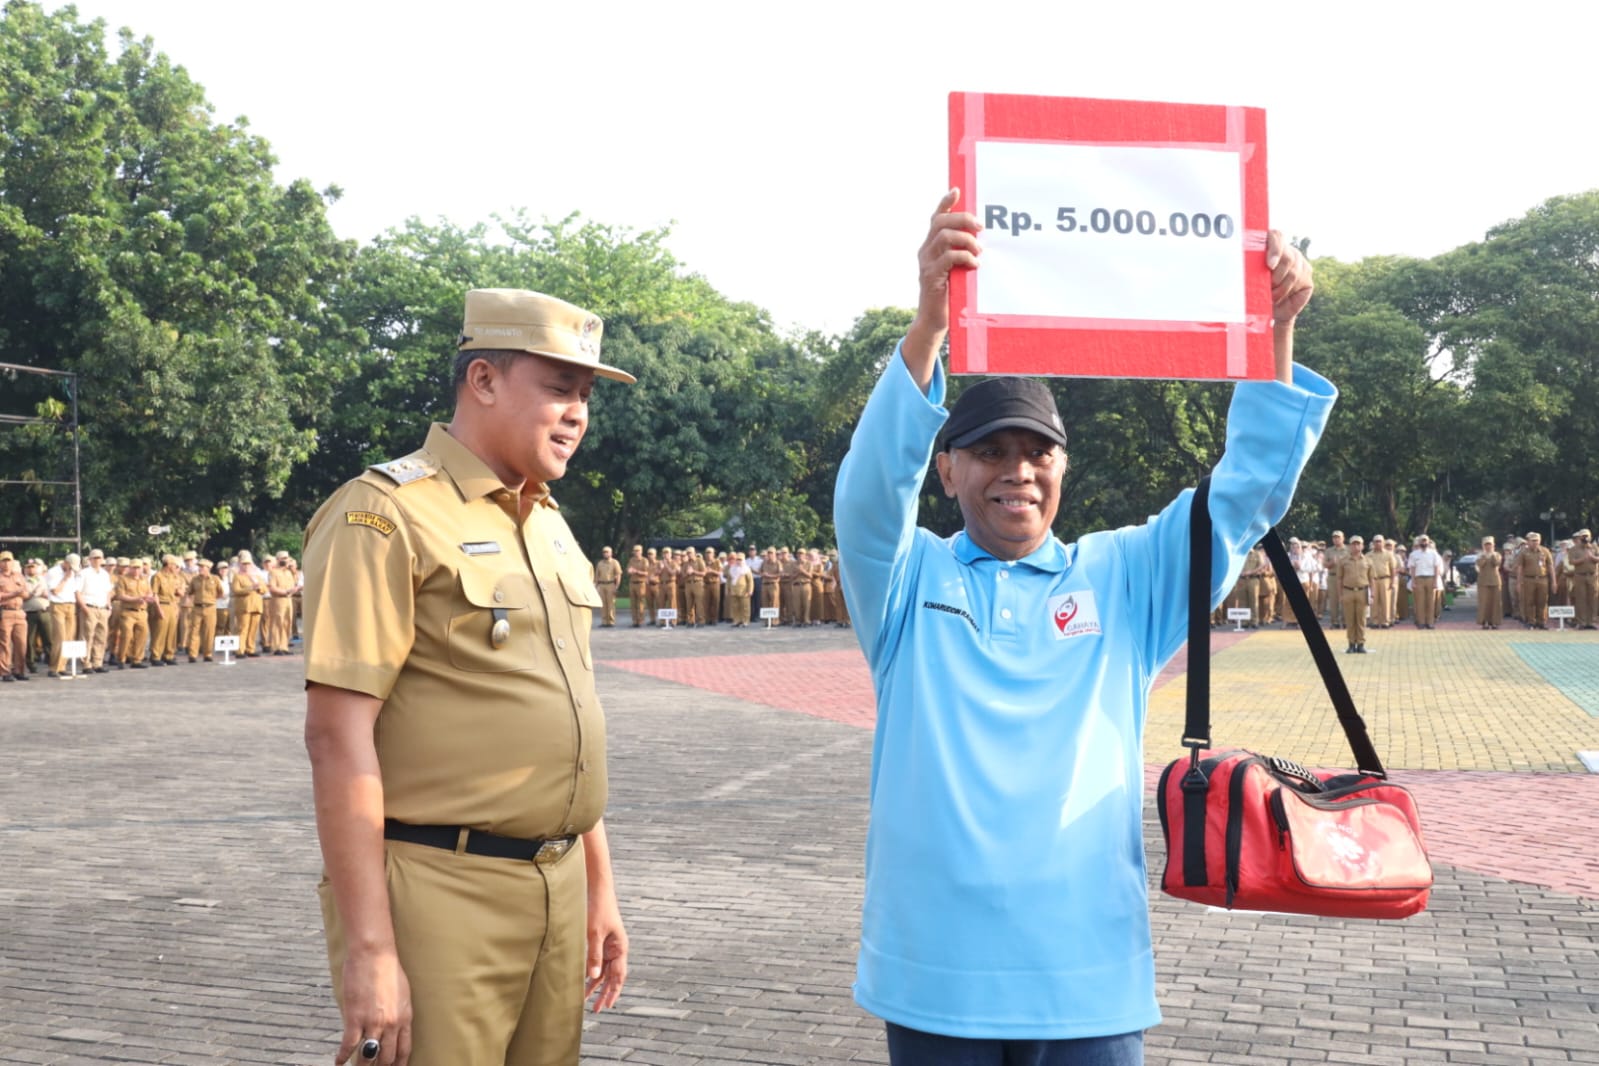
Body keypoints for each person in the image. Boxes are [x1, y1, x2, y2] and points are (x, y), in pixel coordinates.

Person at [833, 191, 1328, 1062]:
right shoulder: (907, 577)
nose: (1015, 471)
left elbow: (1246, 492)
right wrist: (929, 321)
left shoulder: (1124, 574)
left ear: (1063, 467)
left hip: (1084, 967)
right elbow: (869, 492)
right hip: (936, 967)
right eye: (988, 451)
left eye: (1036, 452)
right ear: (945, 468)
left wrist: (1273, 332)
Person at [301, 288, 629, 1066]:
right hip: (440, 889)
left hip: (554, 884)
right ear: (482, 380)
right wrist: (371, 951)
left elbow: (569, 724)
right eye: (557, 388)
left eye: (584, 395)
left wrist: (597, 884)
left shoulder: (546, 521)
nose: (577, 413)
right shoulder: (384, 514)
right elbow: (336, 738)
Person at [1340, 535, 1374, 653]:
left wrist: (1372, 594)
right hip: (1348, 591)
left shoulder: (1368, 561)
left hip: (1362, 591)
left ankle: (1360, 644)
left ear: (1362, 546)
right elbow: (1340, 578)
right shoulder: (1343, 561)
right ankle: (1351, 644)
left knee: (1361, 620)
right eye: (1353, 544)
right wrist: (1341, 594)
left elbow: (1371, 579)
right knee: (1350, 620)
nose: (1356, 546)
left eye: (1358, 544)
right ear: (1349, 546)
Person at [0, 551, 28, 682]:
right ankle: (5, 672)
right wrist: (15, 593)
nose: (6, 563)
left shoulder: (19, 576)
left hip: (20, 612)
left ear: (12, 562)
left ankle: (19, 670)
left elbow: (26, 593)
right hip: (5, 611)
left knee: (21, 643)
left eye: (9, 560)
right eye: (4, 561)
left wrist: (20, 593)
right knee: (5, 644)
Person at [1407, 535, 1444, 629]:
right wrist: (1413, 581)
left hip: (1431, 578)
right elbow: (1412, 568)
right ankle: (1421, 622)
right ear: (1419, 543)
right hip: (1419, 578)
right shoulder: (1414, 554)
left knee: (1431, 601)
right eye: (1422, 541)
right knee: (1420, 602)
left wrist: (1436, 581)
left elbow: (1436, 568)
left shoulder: (1434, 554)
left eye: (1425, 541)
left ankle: (1430, 622)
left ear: (1428, 542)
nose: (1424, 543)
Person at [1475, 537, 1503, 629]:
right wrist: (1484, 556)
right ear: (1483, 546)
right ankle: (1484, 622)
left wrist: (1492, 555)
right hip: (1483, 581)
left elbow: (1497, 563)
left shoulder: (1497, 554)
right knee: (1484, 602)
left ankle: (1494, 622)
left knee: (1495, 602)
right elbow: (1480, 565)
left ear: (1493, 545)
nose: (1488, 546)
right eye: (1486, 544)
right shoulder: (1480, 555)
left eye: (1490, 544)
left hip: (1495, 581)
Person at [593, 546, 622, 627]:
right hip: (602, 585)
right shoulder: (600, 563)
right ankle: (604, 621)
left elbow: (618, 575)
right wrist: (595, 585)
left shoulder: (614, 562)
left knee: (611, 604)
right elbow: (597, 575)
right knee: (603, 604)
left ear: (611, 553)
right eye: (604, 552)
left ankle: (611, 621)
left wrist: (617, 586)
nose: (605, 554)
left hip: (610, 584)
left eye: (607, 552)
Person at [626, 546, 650, 628]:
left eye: (638, 551)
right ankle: (634, 621)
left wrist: (636, 571)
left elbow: (647, 573)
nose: (636, 552)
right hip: (632, 583)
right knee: (633, 603)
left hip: (641, 583)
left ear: (641, 551)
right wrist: (629, 571)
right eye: (635, 551)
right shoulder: (631, 560)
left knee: (640, 602)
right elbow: (628, 570)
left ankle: (640, 620)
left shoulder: (644, 560)